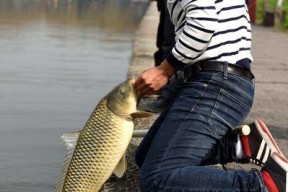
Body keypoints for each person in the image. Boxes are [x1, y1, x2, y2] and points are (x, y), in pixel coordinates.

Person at [133, 0, 288, 191]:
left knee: (158, 177)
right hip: (220, 81)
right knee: (146, 156)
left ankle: (267, 184)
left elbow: (203, 23)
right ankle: (241, 145)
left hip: (217, 84)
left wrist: (164, 70)